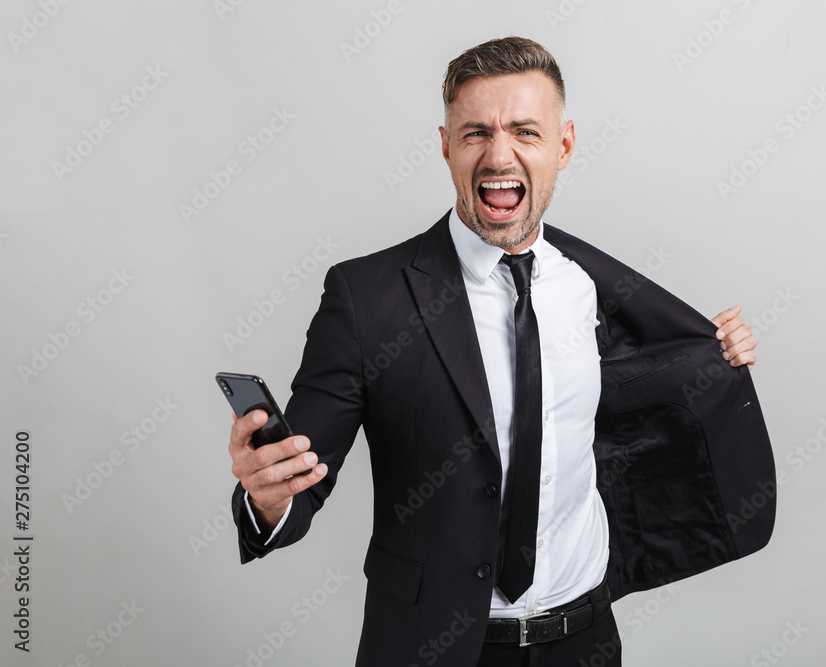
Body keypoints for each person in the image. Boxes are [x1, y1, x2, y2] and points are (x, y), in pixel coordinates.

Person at [228, 36, 775, 667]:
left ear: (563, 145)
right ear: (445, 146)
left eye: (524, 132)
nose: (499, 155)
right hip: (432, 646)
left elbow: (650, 387)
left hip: (584, 639)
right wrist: (266, 499)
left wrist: (713, 356)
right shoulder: (365, 298)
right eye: (476, 133)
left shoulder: (592, 287)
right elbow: (301, 478)